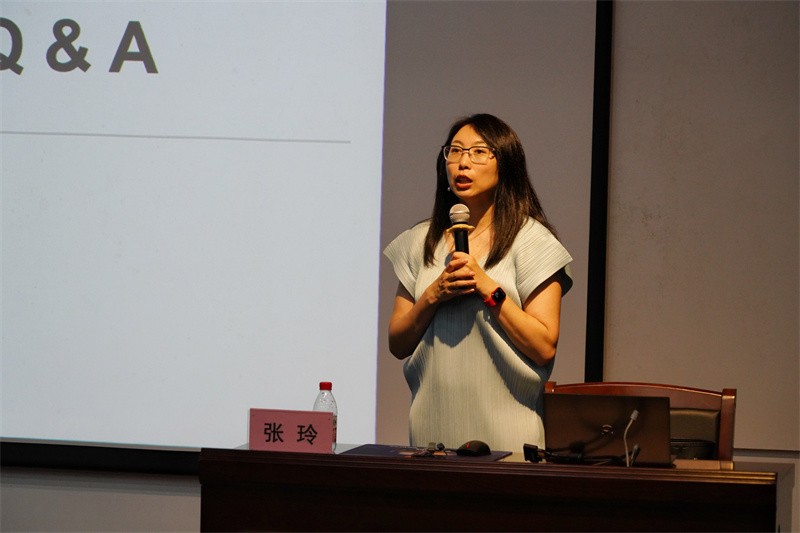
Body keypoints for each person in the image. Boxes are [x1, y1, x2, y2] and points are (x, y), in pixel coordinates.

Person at [383, 113, 573, 452]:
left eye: (478, 152)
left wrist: (488, 288)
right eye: (454, 151)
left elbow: (543, 347)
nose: (462, 163)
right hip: (432, 430)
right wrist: (434, 294)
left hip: (507, 431)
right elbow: (397, 344)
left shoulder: (532, 242)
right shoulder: (420, 242)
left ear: (506, 165)